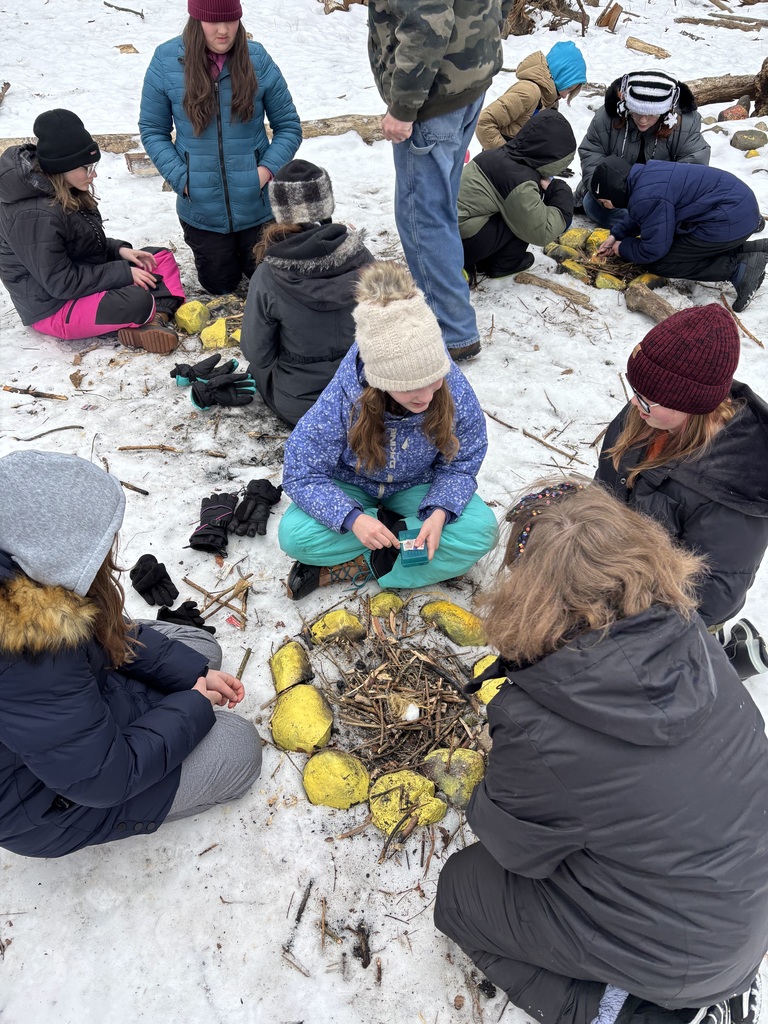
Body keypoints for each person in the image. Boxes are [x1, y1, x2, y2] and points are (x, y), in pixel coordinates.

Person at [434, 480, 768, 1024]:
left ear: (531, 594)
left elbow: (515, 850)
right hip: (744, 907)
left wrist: (490, 782)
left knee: (462, 892)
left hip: (689, 956)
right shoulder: (695, 641)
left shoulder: (539, 725)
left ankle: (632, 1013)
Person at [0, 450, 262, 859]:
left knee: (200, 652)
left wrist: (191, 675)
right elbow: (106, 777)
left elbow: (102, 637)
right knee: (238, 746)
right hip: (43, 804)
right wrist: (194, 705)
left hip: (64, 726)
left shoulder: (24, 578)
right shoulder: (30, 648)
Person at [278, 261, 498, 600]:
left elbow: (463, 459)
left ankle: (363, 564)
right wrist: (353, 519)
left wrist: (439, 512)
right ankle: (398, 546)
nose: (426, 396)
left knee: (482, 532)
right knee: (294, 537)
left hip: (418, 488)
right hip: (353, 488)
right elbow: (301, 471)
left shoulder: (452, 385)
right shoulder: (346, 396)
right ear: (381, 382)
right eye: (411, 387)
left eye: (433, 382)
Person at [596, 303, 768, 677]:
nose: (633, 403)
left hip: (671, 607)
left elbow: (715, 590)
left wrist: (635, 607)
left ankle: (718, 662)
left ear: (691, 404)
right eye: (635, 390)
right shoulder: (647, 415)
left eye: (647, 398)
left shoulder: (736, 482)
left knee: (637, 677)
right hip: (619, 575)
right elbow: (605, 488)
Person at [367, 0, 512, 361]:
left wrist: (403, 106)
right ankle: (450, 311)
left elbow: (428, 20)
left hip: (435, 94)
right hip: (467, 78)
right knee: (441, 205)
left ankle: (452, 330)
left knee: (423, 215)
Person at [139, 0, 301, 295]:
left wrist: (264, 172)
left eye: (231, 20)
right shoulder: (166, 61)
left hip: (257, 206)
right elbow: (153, 130)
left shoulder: (257, 59)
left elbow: (289, 126)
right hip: (202, 210)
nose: (224, 30)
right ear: (196, 19)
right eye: (214, 21)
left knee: (272, 284)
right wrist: (183, 179)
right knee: (219, 285)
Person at [0, 109, 184, 352]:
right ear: (61, 167)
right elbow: (60, 283)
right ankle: (148, 312)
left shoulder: (64, 188)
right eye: (86, 167)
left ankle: (155, 319)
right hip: (53, 307)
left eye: (93, 165)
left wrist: (119, 251)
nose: (94, 174)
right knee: (138, 299)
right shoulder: (34, 214)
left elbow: (78, 243)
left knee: (158, 257)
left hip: (80, 280)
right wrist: (124, 274)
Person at [239, 160, 374, 427]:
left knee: (256, 368)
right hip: (365, 399)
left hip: (303, 409)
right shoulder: (365, 259)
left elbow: (257, 353)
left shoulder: (268, 275)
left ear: (279, 211)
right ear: (327, 204)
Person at [591, 156, 767, 313]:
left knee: (660, 263)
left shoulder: (645, 197)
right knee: (679, 243)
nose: (607, 207)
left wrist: (622, 248)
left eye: (605, 202)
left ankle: (738, 269)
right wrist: (616, 235)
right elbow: (646, 216)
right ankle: (751, 249)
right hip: (740, 207)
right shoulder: (647, 175)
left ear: (615, 191)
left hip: (728, 219)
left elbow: (653, 250)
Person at [576, 70, 710, 228]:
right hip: (613, 196)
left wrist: (658, 197)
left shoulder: (686, 122)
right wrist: (602, 192)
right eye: (637, 112)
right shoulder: (606, 117)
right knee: (591, 205)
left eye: (652, 114)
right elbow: (591, 153)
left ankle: (650, 224)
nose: (643, 120)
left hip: (661, 198)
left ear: (667, 109)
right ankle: (655, 226)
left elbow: (693, 168)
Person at [458, 109, 576, 280]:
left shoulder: (495, 155)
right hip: (457, 246)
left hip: (444, 232)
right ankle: (503, 264)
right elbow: (542, 232)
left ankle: (483, 260)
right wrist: (559, 190)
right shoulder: (519, 181)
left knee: (514, 210)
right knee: (523, 219)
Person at [475, 41, 586, 151]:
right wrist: (505, 157)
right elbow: (484, 122)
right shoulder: (529, 93)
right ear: (560, 75)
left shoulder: (550, 100)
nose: (565, 96)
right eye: (568, 88)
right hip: (498, 165)